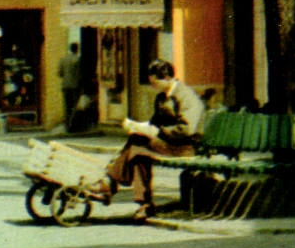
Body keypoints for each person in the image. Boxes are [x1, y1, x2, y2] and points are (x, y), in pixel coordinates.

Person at [105, 59, 204, 221]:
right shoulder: (161, 96)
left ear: (166, 77)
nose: (153, 87)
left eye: (154, 83)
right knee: (138, 150)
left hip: (184, 146)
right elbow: (154, 122)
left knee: (137, 144)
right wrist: (140, 126)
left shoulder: (185, 96)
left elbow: (187, 129)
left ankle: (112, 184)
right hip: (167, 143)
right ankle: (139, 201)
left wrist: (158, 132)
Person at [57, 43, 83, 132]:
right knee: (74, 106)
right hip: (75, 86)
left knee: (67, 106)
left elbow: (59, 73)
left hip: (65, 85)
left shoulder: (63, 60)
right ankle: (72, 126)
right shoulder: (77, 60)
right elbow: (80, 74)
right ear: (77, 49)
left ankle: (67, 125)